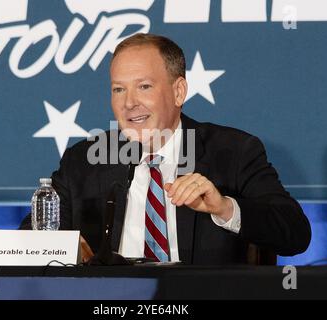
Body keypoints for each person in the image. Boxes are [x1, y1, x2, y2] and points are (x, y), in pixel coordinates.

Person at [20, 33, 311, 265]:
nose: (129, 102)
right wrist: (62, 249)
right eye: (118, 89)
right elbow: (27, 242)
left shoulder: (233, 151)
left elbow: (295, 232)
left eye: (144, 87)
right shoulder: (83, 161)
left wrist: (224, 207)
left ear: (178, 92)